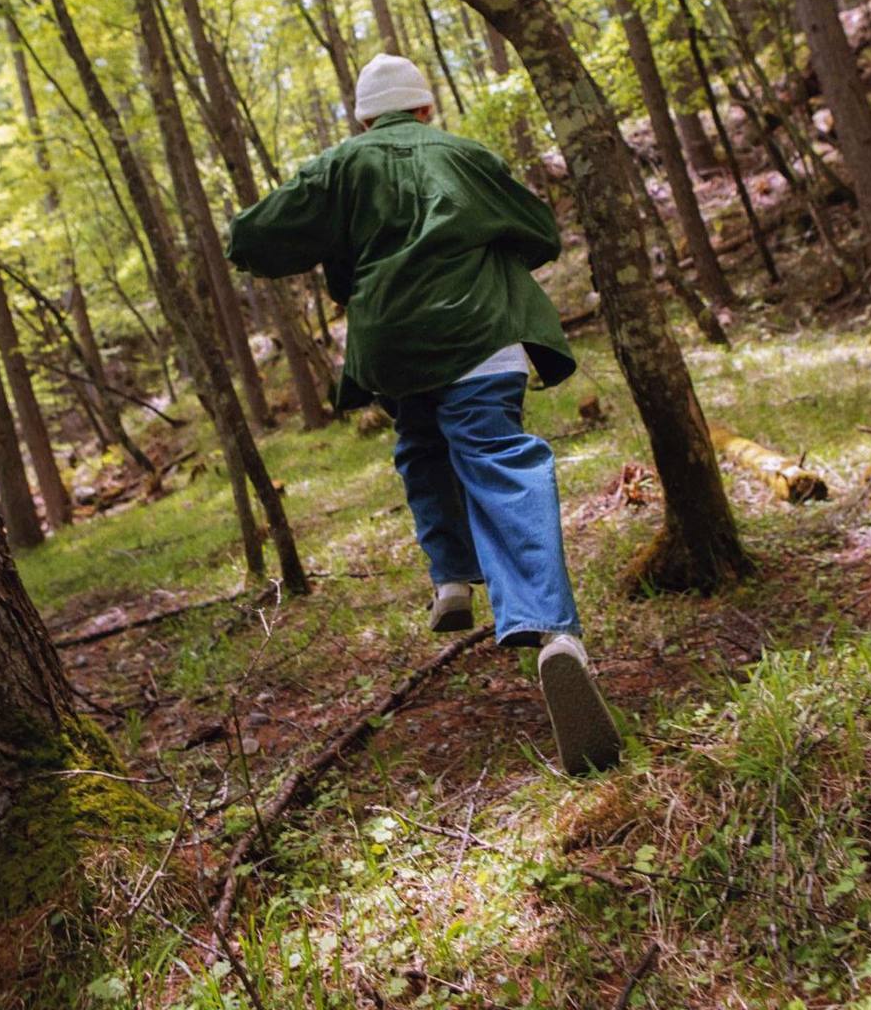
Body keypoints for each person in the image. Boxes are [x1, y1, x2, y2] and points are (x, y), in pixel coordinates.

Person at [226, 53, 620, 775]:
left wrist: (335, 236)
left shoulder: (339, 167)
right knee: (499, 459)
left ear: (365, 120)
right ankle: (552, 631)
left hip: (397, 347)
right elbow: (540, 231)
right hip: (482, 336)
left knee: (420, 446)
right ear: (428, 111)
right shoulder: (467, 157)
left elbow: (251, 240)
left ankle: (450, 576)